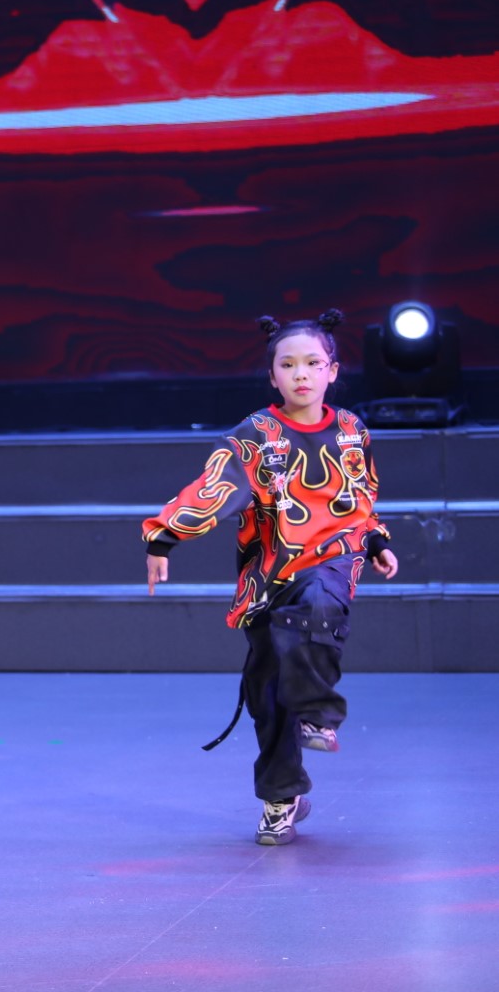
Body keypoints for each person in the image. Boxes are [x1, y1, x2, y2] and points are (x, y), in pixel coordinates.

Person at [143, 310, 398, 846]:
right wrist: (164, 537)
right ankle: (283, 797)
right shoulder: (256, 435)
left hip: (334, 555)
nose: (301, 373)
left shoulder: (352, 431)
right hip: (269, 573)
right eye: (288, 364)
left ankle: (319, 712)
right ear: (273, 375)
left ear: (332, 370)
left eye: (313, 363)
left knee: (318, 605)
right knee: (268, 693)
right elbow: (213, 487)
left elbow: (361, 499)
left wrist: (375, 540)